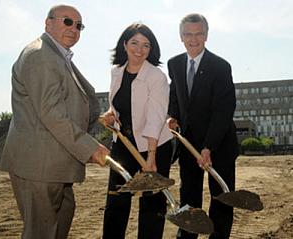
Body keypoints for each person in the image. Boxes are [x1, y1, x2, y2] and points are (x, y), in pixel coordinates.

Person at [0, 4, 109, 239]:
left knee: (62, 218)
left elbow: (64, 102)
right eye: (67, 21)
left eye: (79, 25)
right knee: (41, 231)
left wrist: (98, 116)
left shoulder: (57, 55)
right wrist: (90, 147)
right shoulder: (41, 55)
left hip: (55, 163)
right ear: (48, 23)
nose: (74, 28)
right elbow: (51, 112)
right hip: (39, 164)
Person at [167, 13, 239, 239]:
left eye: (198, 34)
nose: (193, 39)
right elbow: (176, 96)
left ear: (206, 36)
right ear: (181, 36)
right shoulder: (175, 64)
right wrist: (172, 116)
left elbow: (223, 111)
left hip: (219, 144)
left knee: (221, 198)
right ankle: (187, 235)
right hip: (189, 144)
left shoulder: (220, 66)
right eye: (188, 34)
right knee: (189, 196)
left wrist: (208, 147)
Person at [101, 23, 173, 239]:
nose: (139, 49)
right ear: (124, 44)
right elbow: (120, 104)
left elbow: (155, 118)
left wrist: (150, 157)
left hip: (155, 145)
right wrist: (110, 115)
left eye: (146, 45)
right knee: (116, 199)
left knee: (151, 203)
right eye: (134, 43)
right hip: (123, 144)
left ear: (151, 49)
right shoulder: (116, 72)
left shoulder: (157, 77)